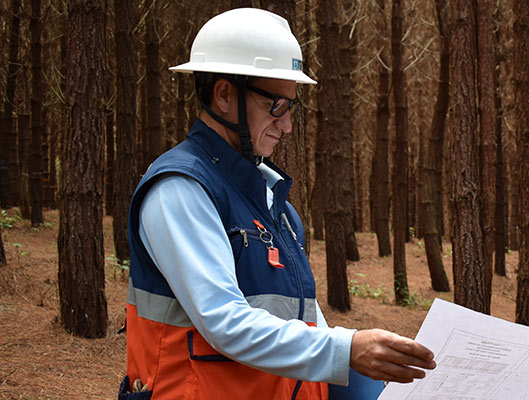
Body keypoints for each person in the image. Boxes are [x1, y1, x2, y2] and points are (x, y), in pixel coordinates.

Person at [121, 8, 435, 399]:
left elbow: (302, 321)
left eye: (291, 107)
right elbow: (223, 321)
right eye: (277, 106)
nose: (286, 124)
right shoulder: (180, 189)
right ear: (224, 94)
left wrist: (360, 368)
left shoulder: (274, 205)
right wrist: (344, 350)